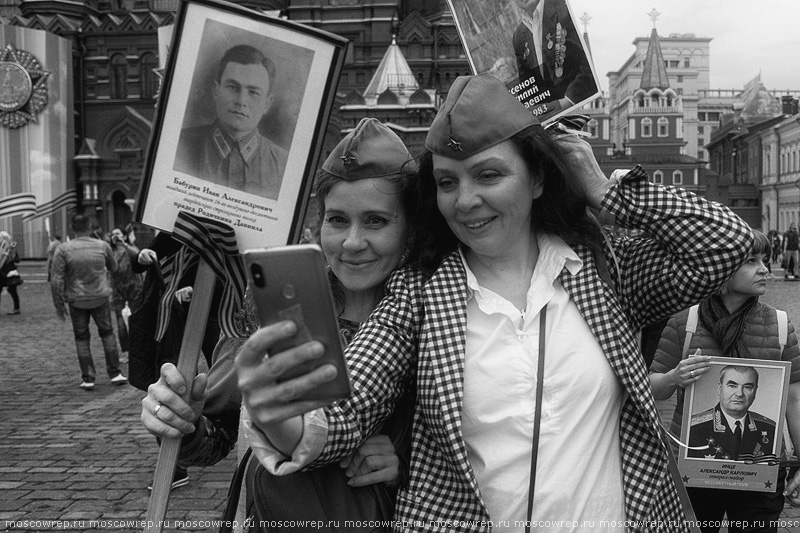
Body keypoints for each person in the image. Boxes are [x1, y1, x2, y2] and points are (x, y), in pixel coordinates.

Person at [235, 73, 754, 531]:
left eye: (488, 175)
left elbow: (723, 242)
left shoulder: (604, 269)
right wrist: (282, 414)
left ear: (537, 178)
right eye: (446, 182)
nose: (465, 201)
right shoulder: (420, 292)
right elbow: (350, 400)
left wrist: (603, 190)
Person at [140, 118, 417, 516]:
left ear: (409, 227)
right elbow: (215, 440)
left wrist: (403, 466)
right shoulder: (281, 302)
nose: (353, 242)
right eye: (337, 219)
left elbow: (458, 453)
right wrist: (182, 422)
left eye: (376, 220)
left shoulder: (430, 318)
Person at [649, 230, 800, 533]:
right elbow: (652, 388)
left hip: (761, 470)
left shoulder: (781, 326)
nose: (764, 269)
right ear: (722, 268)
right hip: (694, 468)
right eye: (751, 261)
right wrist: (674, 377)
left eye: (764, 260)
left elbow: (795, 400)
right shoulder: (685, 323)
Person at [174, 44, 288, 200]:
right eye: (233, 87)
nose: (241, 101)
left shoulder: (285, 165)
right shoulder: (178, 147)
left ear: (267, 104)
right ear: (216, 91)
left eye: (253, 92)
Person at [50, 214, 127, 390]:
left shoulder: (63, 249)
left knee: (82, 337)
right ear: (90, 226)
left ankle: (88, 377)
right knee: (107, 333)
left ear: (72, 228)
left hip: (77, 298)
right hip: (100, 296)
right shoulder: (102, 245)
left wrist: (59, 304)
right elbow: (114, 267)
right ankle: (115, 373)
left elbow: (56, 279)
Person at [510, 0, 596, 119]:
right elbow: (529, 89)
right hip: (552, 122)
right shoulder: (518, 37)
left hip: (584, 109)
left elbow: (591, 60)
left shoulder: (566, 8)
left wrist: (568, 101)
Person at [687, 365, 776, 460]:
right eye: (732, 386)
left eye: (747, 387)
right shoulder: (693, 428)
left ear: (755, 392)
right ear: (720, 389)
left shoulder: (770, 429)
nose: (739, 394)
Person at [109, 227, 142, 363]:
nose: (115, 236)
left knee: (135, 321)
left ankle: (138, 350)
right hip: (118, 291)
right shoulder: (110, 251)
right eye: (113, 234)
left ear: (124, 236)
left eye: (118, 234)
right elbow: (109, 267)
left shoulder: (130, 248)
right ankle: (126, 351)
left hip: (134, 289)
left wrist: (125, 244)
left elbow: (138, 256)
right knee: (121, 324)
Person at [0, 231, 21, 315]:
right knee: (13, 291)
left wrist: (8, 256)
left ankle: (16, 308)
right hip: (3, 271)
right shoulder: (4, 248)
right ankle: (16, 308)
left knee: (13, 291)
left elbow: (17, 259)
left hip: (8, 272)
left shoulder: (10, 248)